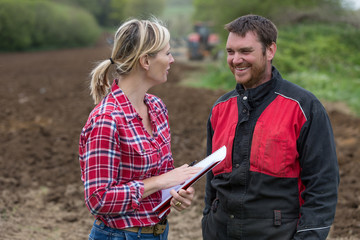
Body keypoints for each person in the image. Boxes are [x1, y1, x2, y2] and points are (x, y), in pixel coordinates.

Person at [201, 14, 339, 240]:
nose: (236, 60)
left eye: (245, 51)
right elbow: (212, 181)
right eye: (230, 52)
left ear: (270, 51)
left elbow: (322, 184)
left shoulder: (303, 107)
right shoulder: (220, 109)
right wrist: (207, 220)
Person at [78, 18, 200, 240]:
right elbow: (98, 199)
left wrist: (175, 192)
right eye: (167, 53)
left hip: (158, 232)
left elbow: (161, 177)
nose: (172, 60)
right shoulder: (107, 119)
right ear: (145, 61)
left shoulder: (157, 108)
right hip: (119, 235)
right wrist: (160, 182)